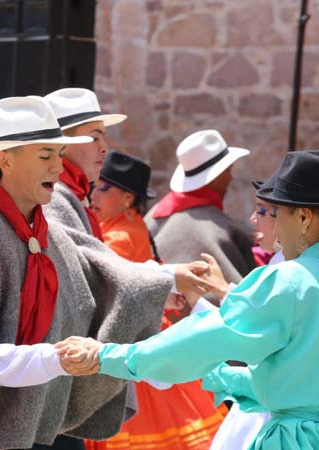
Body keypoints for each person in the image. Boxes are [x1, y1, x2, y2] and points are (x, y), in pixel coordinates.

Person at [0, 96, 217, 449]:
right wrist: (54, 359)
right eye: (45, 155)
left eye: (60, 156)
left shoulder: (49, 233)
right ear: (5, 159)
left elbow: (108, 275)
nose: (56, 168)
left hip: (42, 423)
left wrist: (171, 281)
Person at [58, 151, 319, 449]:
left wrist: (106, 355)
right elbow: (306, 382)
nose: (275, 223)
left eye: (281, 212)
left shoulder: (287, 279)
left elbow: (203, 340)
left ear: (304, 218)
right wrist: (222, 378)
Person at [88, 150, 228, 450]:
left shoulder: (119, 238)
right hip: (150, 332)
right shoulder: (126, 226)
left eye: (103, 188)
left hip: (137, 337)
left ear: (127, 199)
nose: (93, 196)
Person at [145, 130, 256, 291]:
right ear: (217, 177)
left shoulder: (153, 215)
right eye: (228, 171)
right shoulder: (223, 227)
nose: (230, 178)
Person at [43, 87, 126, 239]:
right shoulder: (52, 199)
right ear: (62, 145)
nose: (105, 148)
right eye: (94, 138)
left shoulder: (73, 193)